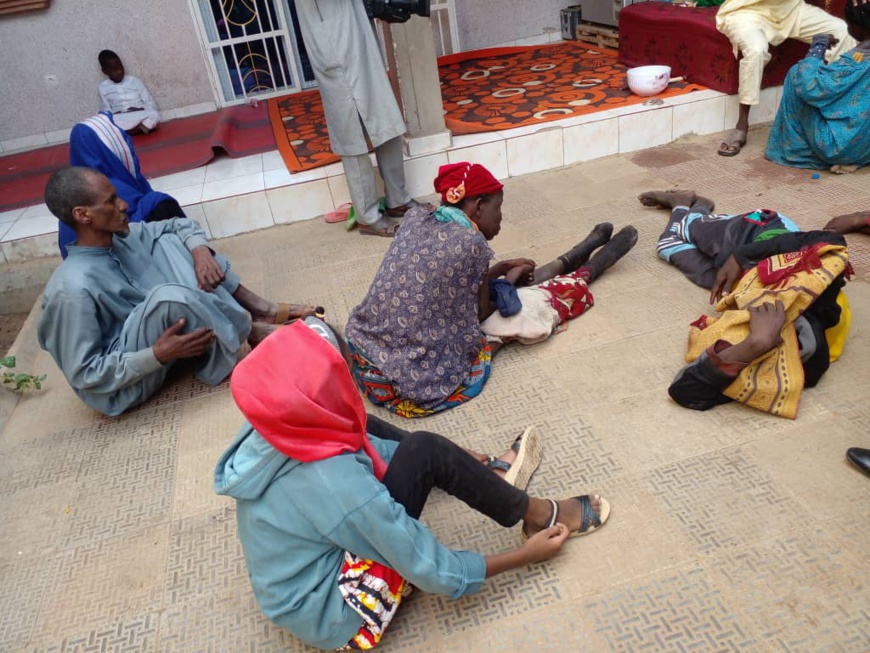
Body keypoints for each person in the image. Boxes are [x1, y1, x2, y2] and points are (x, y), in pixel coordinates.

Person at [215, 318, 611, 651]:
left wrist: (448, 459)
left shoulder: (280, 418)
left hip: (292, 582)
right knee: (423, 453)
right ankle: (538, 516)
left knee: (386, 435)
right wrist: (525, 557)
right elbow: (432, 570)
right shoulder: (335, 484)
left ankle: (480, 469)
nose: (349, 388)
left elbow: (370, 445)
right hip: (334, 614)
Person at [345, 162, 638, 418]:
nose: (501, 217)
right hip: (408, 375)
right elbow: (481, 311)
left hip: (367, 353)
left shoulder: (417, 218)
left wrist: (498, 270)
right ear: (478, 206)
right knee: (528, 305)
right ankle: (587, 265)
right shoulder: (471, 245)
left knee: (507, 288)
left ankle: (579, 252)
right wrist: (509, 277)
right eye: (498, 209)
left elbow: (447, 279)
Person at [38, 167, 318, 416]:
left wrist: (200, 252)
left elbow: (178, 224)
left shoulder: (120, 239)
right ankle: (250, 333)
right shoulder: (71, 289)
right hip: (123, 386)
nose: (124, 205)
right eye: (111, 201)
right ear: (83, 215)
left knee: (169, 241)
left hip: (162, 342)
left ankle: (253, 315)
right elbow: (85, 374)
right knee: (165, 296)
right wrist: (156, 355)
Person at [639, 189, 851, 417]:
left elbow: (683, 392)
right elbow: (830, 241)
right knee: (691, 229)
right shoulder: (818, 298)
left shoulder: (763, 367)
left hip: (742, 284)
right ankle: (688, 209)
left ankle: (689, 207)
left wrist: (755, 343)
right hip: (766, 235)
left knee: (668, 245)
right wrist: (741, 256)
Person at [294, 0, 427, 237]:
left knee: (384, 113)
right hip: (332, 37)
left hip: (357, 30)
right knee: (350, 130)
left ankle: (398, 198)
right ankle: (368, 215)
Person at [715, 0, 856, 156]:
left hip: (790, 10)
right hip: (746, 12)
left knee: (842, 32)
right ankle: (741, 125)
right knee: (756, 50)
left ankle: (832, 111)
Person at [57, 112, 184, 258]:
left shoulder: (68, 200)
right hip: (132, 270)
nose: (122, 205)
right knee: (158, 203)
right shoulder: (114, 189)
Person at [765, 0, 870, 171]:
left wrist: (817, 48)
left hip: (838, 148)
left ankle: (796, 150)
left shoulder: (850, 65)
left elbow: (810, 86)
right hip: (866, 147)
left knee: (797, 73)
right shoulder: (855, 62)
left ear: (856, 27)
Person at [98, 50, 160, 135]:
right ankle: (139, 129)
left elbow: (150, 103)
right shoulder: (103, 87)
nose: (119, 72)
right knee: (104, 122)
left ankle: (125, 132)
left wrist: (141, 109)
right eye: (114, 70)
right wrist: (113, 114)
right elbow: (106, 109)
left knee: (154, 114)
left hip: (139, 114)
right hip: (120, 117)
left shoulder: (135, 81)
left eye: (120, 67)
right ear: (105, 71)